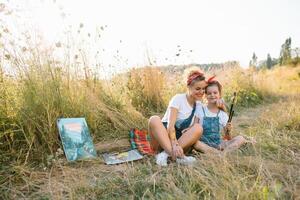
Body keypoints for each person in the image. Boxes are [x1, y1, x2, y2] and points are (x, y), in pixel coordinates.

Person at [148, 68, 224, 166]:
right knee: (154, 119)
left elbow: (211, 112)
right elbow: (170, 127)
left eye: (203, 89)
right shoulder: (178, 99)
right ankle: (177, 156)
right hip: (163, 140)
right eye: (197, 89)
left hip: (181, 144)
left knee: (198, 128)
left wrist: (221, 104)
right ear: (188, 87)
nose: (201, 92)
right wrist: (174, 145)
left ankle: (166, 155)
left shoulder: (199, 105)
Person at [193, 77, 247, 153]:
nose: (212, 95)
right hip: (204, 144)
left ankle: (222, 154)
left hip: (219, 144)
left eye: (215, 93)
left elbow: (228, 137)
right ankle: (221, 154)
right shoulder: (200, 109)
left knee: (240, 138)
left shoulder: (222, 114)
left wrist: (228, 130)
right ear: (205, 95)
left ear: (219, 94)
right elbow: (194, 129)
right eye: (209, 93)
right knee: (195, 143)